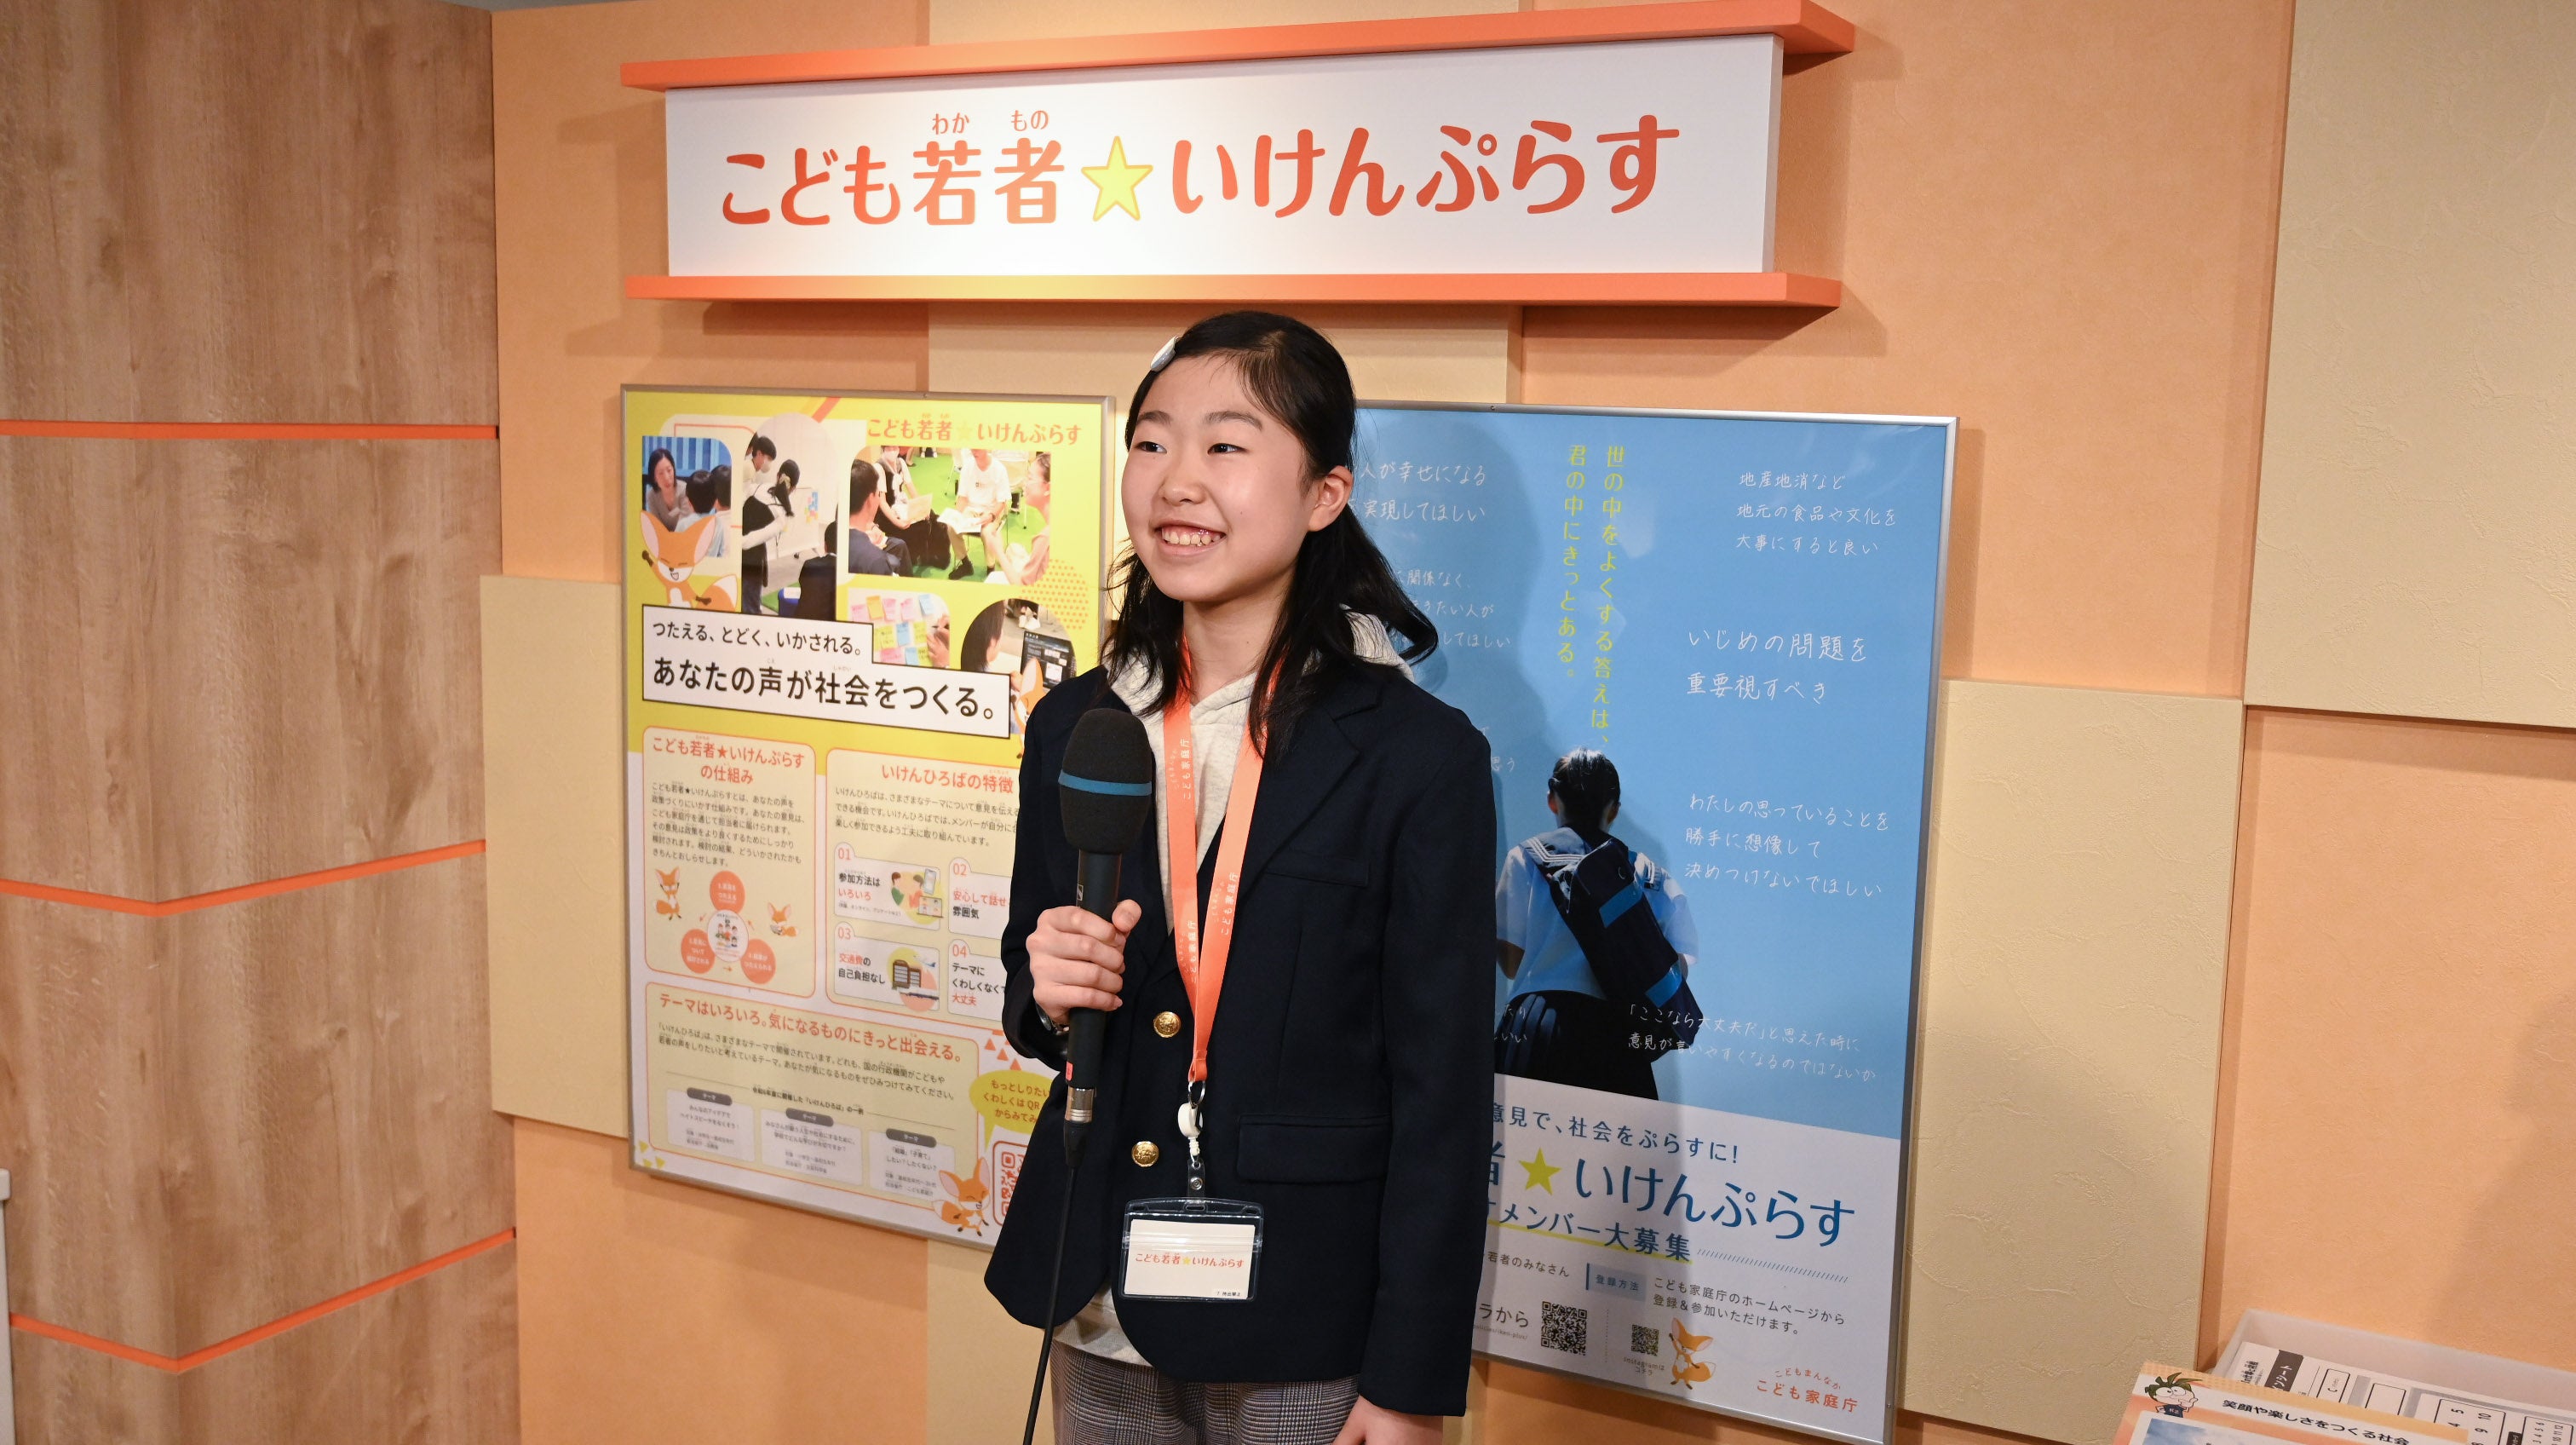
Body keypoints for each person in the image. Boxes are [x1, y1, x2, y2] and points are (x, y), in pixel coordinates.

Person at [986, 312, 1494, 1445]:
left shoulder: (1419, 759)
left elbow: (1445, 1101)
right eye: (1152, 441)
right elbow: (1034, 987)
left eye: (1226, 444)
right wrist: (1047, 990)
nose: (1177, 480)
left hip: (1309, 1312)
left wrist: (1409, 1383)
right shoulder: (1079, 723)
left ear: (1325, 493)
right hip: (1099, 1289)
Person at [1492, 749, 1701, 1101]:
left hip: (1538, 1023)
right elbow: (1677, 967)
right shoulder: (1650, 876)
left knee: (1523, 1129)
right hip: (1619, 1034)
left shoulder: (1526, 857)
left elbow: (1511, 961)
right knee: (1612, 1137)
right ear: (1614, 809)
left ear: (1552, 799)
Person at [740, 456, 828, 613]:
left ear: (777, 475)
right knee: (750, 608)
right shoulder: (782, 515)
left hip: (738, 554)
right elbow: (748, 542)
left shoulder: (759, 487)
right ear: (793, 488)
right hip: (751, 562)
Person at [940, 446, 1014, 578]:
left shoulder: (999, 469)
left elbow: (1001, 503)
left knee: (987, 532)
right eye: (972, 449)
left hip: (992, 511)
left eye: (978, 449)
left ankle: (990, 568)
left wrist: (990, 516)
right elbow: (963, 498)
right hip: (971, 509)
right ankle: (966, 564)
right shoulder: (968, 467)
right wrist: (956, 516)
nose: (974, 452)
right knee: (951, 527)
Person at [985, 450, 1054, 585]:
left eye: (1030, 478)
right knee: (1014, 550)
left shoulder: (1046, 539)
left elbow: (1022, 587)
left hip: (1032, 595)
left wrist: (999, 552)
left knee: (993, 579)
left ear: (1048, 488)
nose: (1024, 484)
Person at [848, 457, 911, 577]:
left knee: (899, 545)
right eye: (878, 494)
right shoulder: (876, 561)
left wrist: (872, 527)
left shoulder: (838, 524)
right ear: (870, 500)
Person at [642, 447, 686, 531]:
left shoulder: (684, 490)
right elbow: (657, 528)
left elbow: (685, 525)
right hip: (662, 538)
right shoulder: (651, 496)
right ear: (654, 477)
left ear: (674, 469)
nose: (666, 478)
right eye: (661, 473)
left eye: (669, 470)